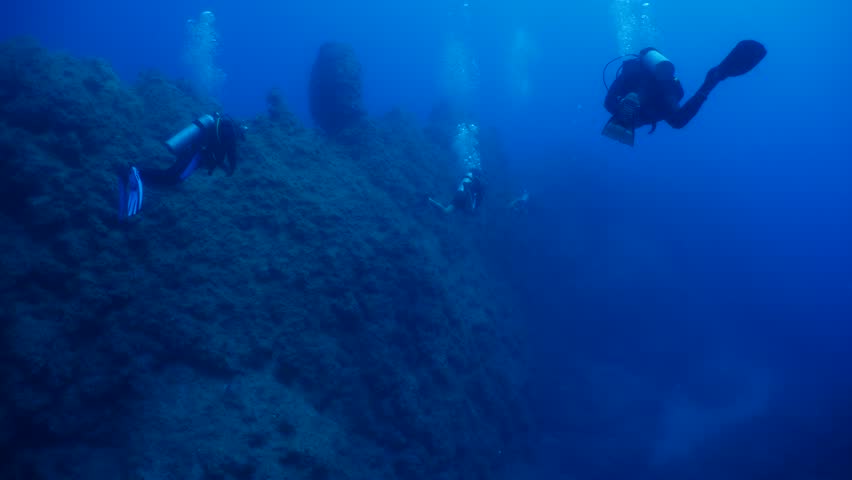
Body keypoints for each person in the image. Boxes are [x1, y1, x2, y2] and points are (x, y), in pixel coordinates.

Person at [602, 40, 767, 146]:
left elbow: (610, 100)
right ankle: (711, 81)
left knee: (674, 119)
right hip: (664, 91)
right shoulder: (649, 86)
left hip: (650, 91)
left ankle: (635, 97)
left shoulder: (631, 75)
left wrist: (622, 105)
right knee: (676, 120)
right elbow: (677, 118)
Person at [118, 112, 244, 219]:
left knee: (171, 178)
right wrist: (232, 168)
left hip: (192, 152)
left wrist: (225, 167)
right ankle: (137, 173)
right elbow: (231, 152)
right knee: (173, 178)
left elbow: (217, 154)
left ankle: (131, 176)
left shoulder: (223, 131)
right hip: (196, 154)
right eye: (240, 137)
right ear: (238, 131)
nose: (238, 140)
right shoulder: (230, 132)